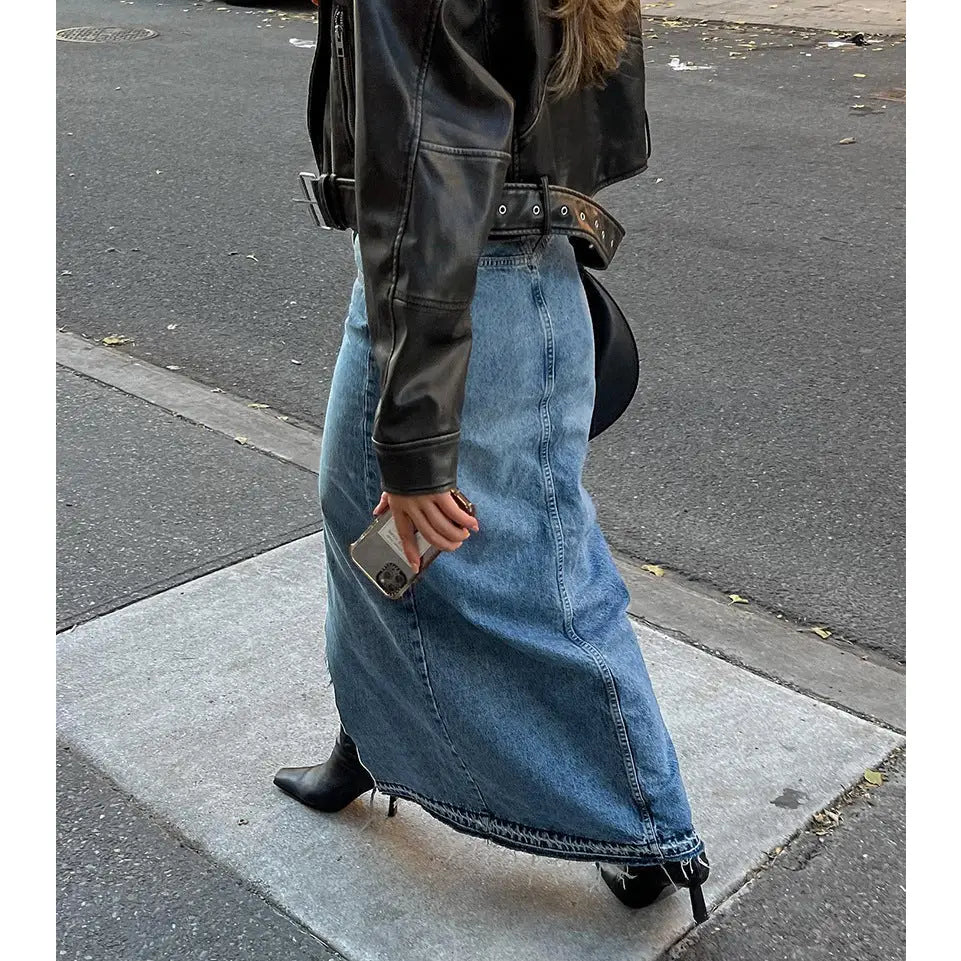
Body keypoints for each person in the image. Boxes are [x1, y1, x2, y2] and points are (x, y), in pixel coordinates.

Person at [274, 0, 710, 922]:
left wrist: (417, 437)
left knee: (523, 569)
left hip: (460, 282)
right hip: (500, 268)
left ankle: (637, 823)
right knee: (365, 519)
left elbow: (431, 162)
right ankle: (375, 736)